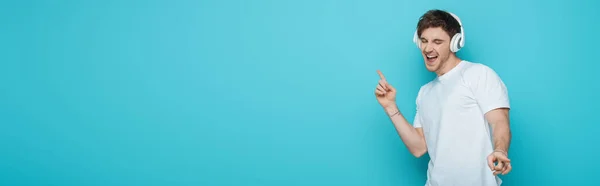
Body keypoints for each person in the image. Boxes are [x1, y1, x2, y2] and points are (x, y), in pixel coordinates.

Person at [374, 9, 512, 186]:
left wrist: (500, 150)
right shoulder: (425, 92)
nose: (428, 48)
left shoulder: (478, 74)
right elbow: (418, 148)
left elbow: (499, 121)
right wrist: (390, 106)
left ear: (455, 43)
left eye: (437, 42)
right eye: (424, 41)